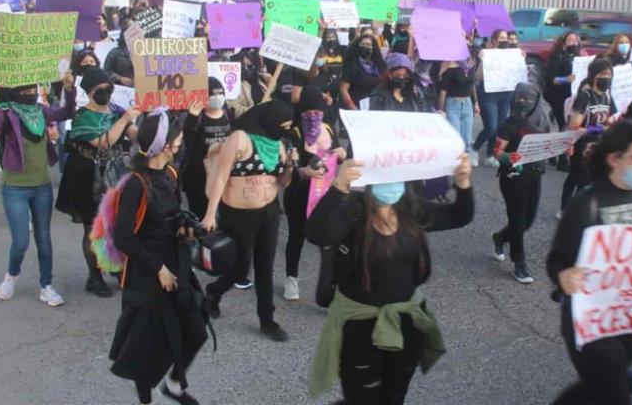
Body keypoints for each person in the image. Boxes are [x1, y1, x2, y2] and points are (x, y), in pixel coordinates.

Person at [305, 154, 474, 404]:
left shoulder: (411, 209)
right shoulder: (353, 211)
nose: (391, 184)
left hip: (406, 323)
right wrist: (338, 187)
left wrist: (463, 183)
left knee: (394, 396)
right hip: (360, 326)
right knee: (361, 396)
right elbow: (318, 233)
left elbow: (460, 216)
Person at [547, 120, 632, 405]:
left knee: (599, 386)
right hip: (591, 321)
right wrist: (564, 277)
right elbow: (557, 260)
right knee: (615, 393)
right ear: (614, 159)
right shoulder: (587, 204)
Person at [108, 109, 208, 405]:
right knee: (144, 346)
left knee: (196, 331)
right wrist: (158, 269)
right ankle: (145, 399)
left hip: (175, 263)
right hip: (146, 273)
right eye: (177, 138)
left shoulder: (170, 174)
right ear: (165, 145)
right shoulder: (136, 183)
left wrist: (186, 231)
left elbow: (173, 217)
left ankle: (173, 385)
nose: (181, 143)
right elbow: (123, 237)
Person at [0, 72, 77, 307]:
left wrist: (69, 90)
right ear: (16, 93)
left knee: (44, 238)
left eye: (33, 90)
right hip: (15, 189)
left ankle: (46, 286)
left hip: (42, 188)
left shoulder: (41, 112)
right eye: (26, 91)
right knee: (20, 241)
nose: (31, 94)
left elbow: (67, 113)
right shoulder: (6, 114)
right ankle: (12, 274)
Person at [201, 100, 296, 341]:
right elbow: (221, 178)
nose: (285, 130)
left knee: (265, 266)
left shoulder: (279, 145)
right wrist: (210, 214)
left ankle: (267, 320)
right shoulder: (240, 139)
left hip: (269, 211)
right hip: (238, 214)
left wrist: (290, 165)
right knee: (241, 267)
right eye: (282, 125)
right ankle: (214, 291)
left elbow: (283, 183)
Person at [56, 67, 141, 297]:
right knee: (93, 228)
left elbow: (134, 134)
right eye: (100, 89)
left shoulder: (115, 109)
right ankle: (94, 277)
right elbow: (105, 141)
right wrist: (124, 119)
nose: (106, 92)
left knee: (114, 226)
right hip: (87, 178)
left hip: (113, 174)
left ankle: (112, 266)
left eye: (108, 87)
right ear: (90, 91)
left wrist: (145, 119)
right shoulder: (83, 116)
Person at [283, 87, 346, 302]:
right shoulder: (294, 134)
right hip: (299, 194)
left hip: (324, 196)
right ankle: (291, 278)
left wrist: (341, 154)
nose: (313, 117)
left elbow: (340, 154)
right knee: (296, 237)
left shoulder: (328, 129)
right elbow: (287, 168)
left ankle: (328, 285)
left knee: (328, 240)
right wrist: (303, 171)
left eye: (317, 113)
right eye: (308, 113)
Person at [491, 83, 550, 283]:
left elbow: (550, 143)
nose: (523, 102)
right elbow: (497, 152)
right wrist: (508, 158)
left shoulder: (543, 120)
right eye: (519, 98)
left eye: (528, 98)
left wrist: (565, 149)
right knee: (517, 221)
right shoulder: (510, 123)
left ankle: (500, 238)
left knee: (528, 220)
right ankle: (519, 264)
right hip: (513, 177)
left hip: (535, 174)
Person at [561, 57, 616, 209]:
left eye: (609, 75)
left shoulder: (607, 96)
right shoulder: (585, 96)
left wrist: (609, 127)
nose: (607, 78)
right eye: (603, 75)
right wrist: (596, 129)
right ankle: (565, 207)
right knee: (577, 177)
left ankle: (578, 208)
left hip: (599, 144)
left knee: (590, 178)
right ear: (594, 75)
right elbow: (574, 125)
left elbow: (609, 119)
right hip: (581, 143)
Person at [182, 78, 231, 219]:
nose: (218, 98)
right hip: (199, 177)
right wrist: (191, 119)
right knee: (200, 216)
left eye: (221, 94)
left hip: (223, 174)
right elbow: (189, 143)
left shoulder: (228, 114)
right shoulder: (196, 118)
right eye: (213, 95)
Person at [473, 29, 515, 168]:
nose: (504, 40)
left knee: (499, 127)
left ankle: (490, 155)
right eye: (501, 38)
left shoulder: (512, 55)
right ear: (494, 41)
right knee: (491, 126)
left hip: (505, 94)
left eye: (506, 38)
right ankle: (474, 150)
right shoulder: (487, 54)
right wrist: (483, 62)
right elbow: (478, 78)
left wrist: (521, 58)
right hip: (488, 94)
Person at [438, 52, 480, 164]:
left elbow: (472, 86)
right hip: (453, 104)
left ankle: (464, 162)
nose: (470, 58)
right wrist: (441, 110)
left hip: (467, 104)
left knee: (467, 138)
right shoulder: (450, 69)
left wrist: (475, 103)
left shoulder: (470, 68)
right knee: (456, 137)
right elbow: (443, 91)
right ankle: (454, 162)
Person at [544, 32, 582, 132]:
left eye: (575, 41)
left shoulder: (579, 57)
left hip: (572, 97)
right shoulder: (558, 57)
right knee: (560, 124)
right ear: (564, 43)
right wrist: (565, 80)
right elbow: (550, 78)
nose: (573, 43)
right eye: (570, 40)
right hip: (558, 97)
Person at [340, 35, 386, 109]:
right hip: (356, 105)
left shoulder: (380, 65)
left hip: (375, 106)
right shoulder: (351, 64)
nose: (365, 47)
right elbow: (344, 89)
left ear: (373, 48)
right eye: (363, 44)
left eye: (368, 45)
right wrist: (353, 108)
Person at [226, 49, 270, 120]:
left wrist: (268, 84)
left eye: (249, 66)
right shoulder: (231, 84)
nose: (246, 69)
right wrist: (258, 110)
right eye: (242, 66)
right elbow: (233, 109)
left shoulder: (259, 80)